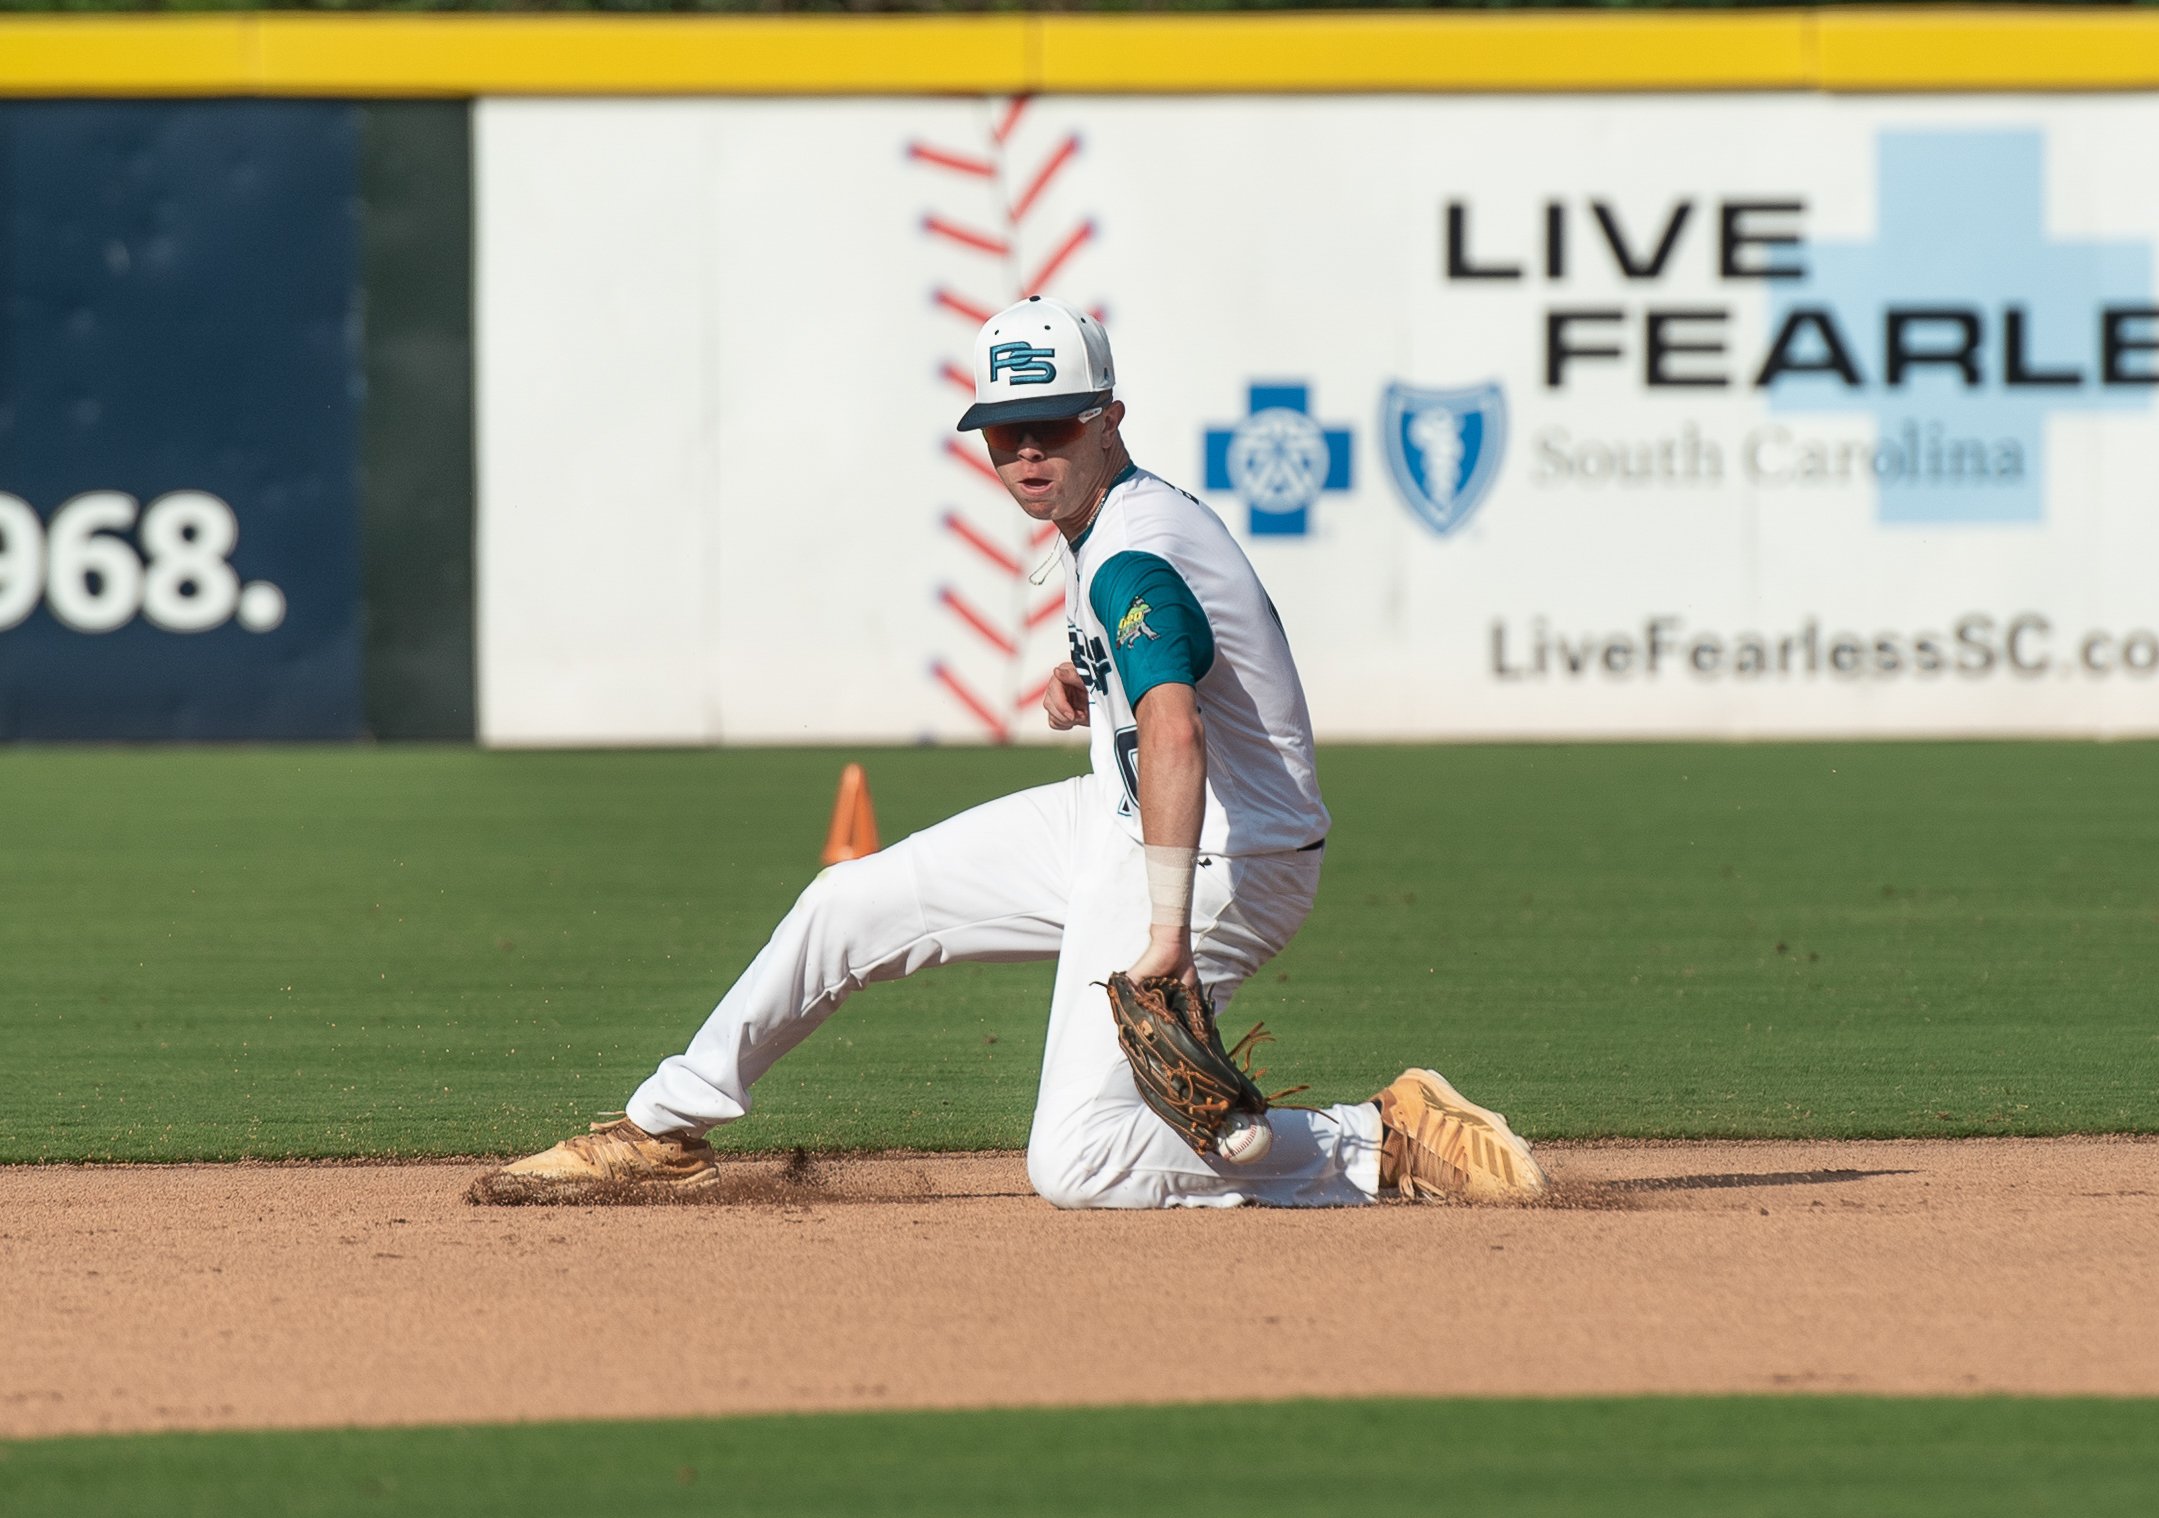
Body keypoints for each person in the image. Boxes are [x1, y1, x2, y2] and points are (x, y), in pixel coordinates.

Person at [482, 296, 1546, 1208]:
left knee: (1079, 1162)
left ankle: (1386, 1139)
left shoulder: (1129, 552)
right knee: (846, 906)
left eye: (1053, 426)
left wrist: (1166, 933)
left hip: (1224, 856)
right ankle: (665, 1132)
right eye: (1005, 431)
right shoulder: (1116, 523)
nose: (1028, 452)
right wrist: (1094, 680)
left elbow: (1177, 727)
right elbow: (1173, 683)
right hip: (1122, 818)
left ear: (1109, 420)